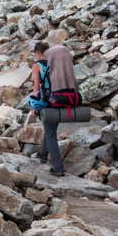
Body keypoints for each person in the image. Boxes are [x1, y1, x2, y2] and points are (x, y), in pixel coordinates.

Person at [32, 42, 76, 177]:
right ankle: (43, 154)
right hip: (61, 99)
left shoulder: (37, 65)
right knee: (50, 129)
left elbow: (36, 88)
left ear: (38, 53)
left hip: (48, 101)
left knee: (50, 134)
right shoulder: (57, 65)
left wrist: (34, 106)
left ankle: (58, 168)